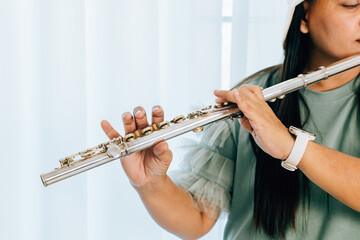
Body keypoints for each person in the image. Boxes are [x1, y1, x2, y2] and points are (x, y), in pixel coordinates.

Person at [101, 0, 360, 239]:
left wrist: (291, 148)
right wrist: (150, 184)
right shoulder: (253, 97)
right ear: (304, 16)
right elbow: (198, 219)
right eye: (352, 4)